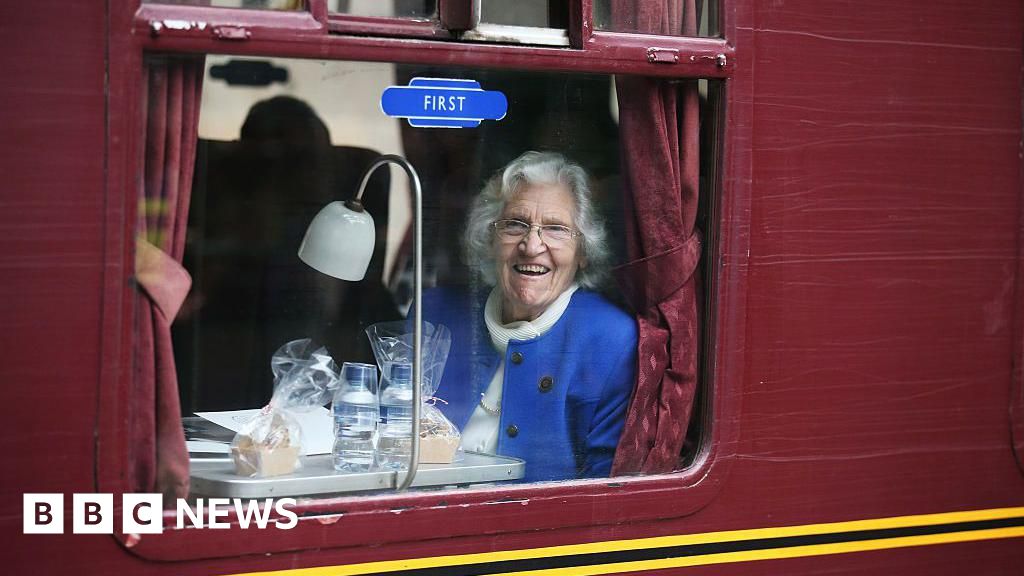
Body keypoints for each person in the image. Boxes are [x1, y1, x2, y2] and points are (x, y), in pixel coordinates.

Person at [424, 151, 637, 482]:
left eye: (555, 229)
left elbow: (605, 487)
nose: (532, 245)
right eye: (515, 224)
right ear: (490, 238)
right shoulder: (434, 316)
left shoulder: (611, 340)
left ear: (582, 252)